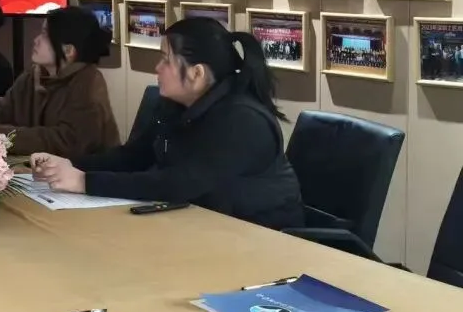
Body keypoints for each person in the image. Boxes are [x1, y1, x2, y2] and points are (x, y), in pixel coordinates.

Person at [32, 17, 304, 230]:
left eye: (166, 60)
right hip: (197, 227)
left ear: (197, 73)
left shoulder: (243, 121)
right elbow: (134, 157)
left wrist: (85, 182)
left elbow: (179, 183)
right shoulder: (175, 105)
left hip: (257, 237)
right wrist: (68, 164)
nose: (157, 68)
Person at [0, 6, 119, 158]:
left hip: (83, 170)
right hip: (35, 167)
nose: (36, 40)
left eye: (45, 35)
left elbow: (67, 142)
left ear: (68, 51)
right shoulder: (32, 76)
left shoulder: (88, 82)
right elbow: (2, 110)